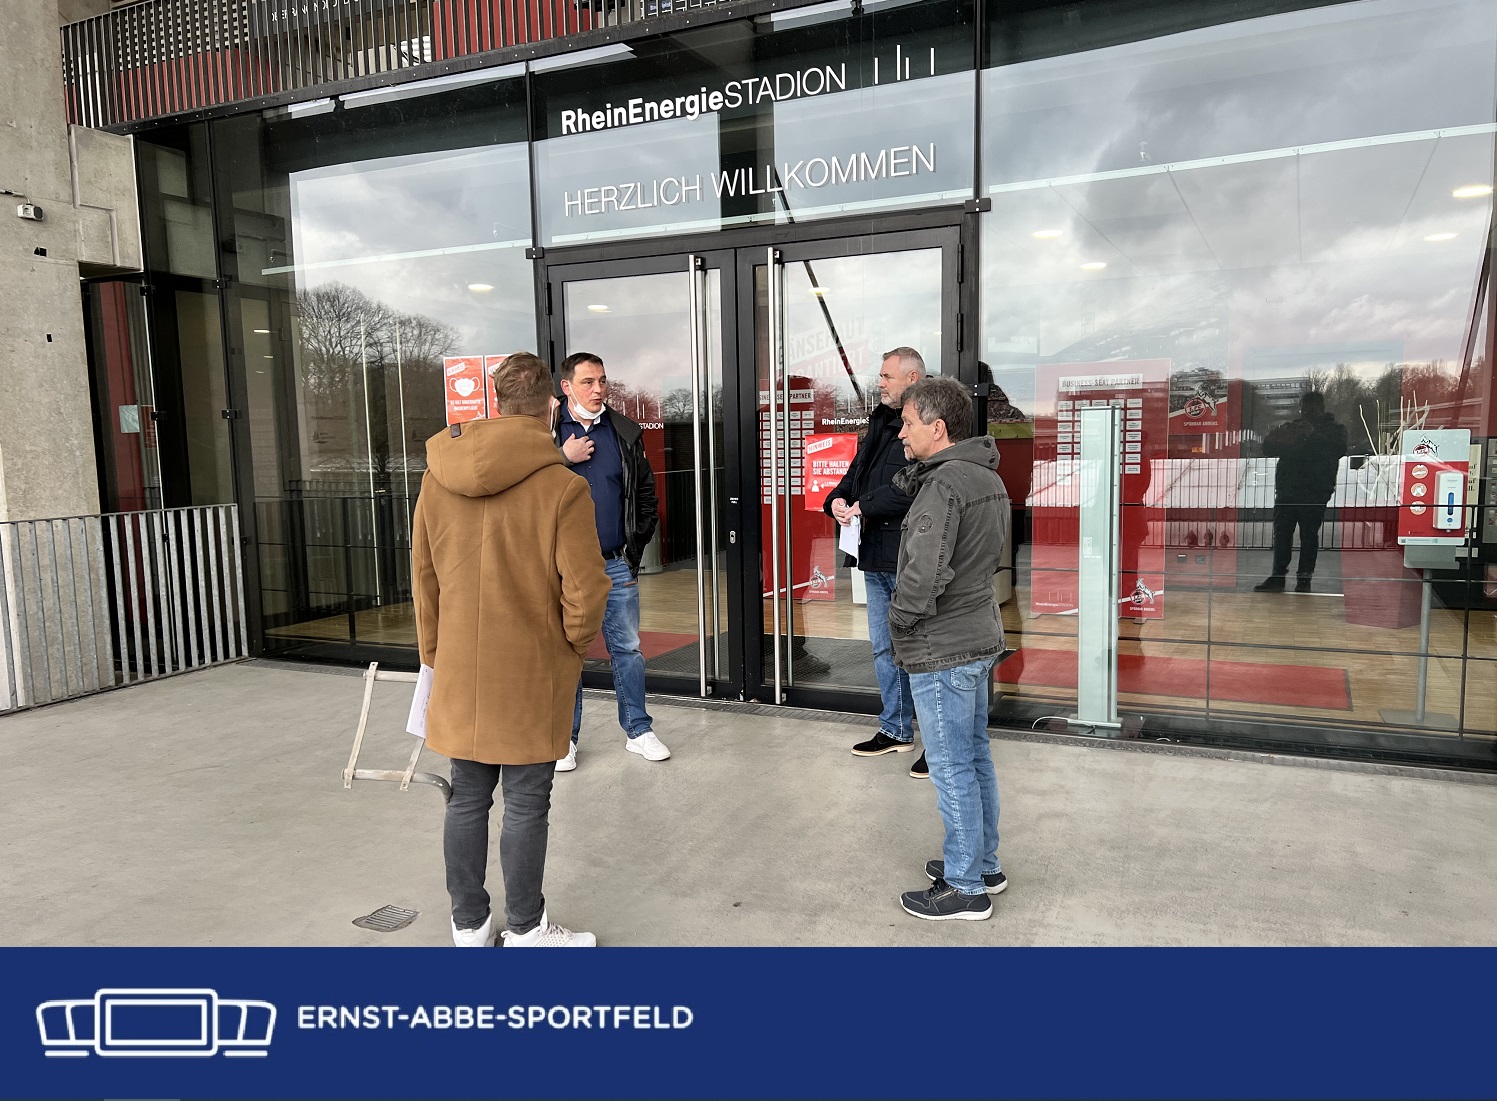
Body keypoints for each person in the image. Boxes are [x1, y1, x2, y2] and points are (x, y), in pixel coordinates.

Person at [412, 352, 610, 948]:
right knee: (526, 802)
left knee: (466, 798)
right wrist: (572, 647)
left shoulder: (436, 477)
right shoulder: (563, 487)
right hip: (531, 667)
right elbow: (586, 589)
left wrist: (435, 652)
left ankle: (469, 926)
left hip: (459, 666)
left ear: (496, 403)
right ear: (550, 405)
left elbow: (423, 577)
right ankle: (525, 929)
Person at [889, 376, 1010, 921]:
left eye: (908, 423)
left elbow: (924, 573)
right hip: (977, 637)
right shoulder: (986, 477)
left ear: (937, 428)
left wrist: (899, 620)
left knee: (951, 766)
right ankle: (982, 865)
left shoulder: (943, 485)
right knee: (974, 756)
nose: (901, 432)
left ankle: (964, 887)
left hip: (944, 647)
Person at [553, 351, 669, 769]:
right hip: (562, 568)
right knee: (566, 651)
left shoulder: (624, 432)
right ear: (566, 387)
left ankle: (638, 731)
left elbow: (645, 497)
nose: (598, 389)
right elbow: (519, 480)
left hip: (614, 563)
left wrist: (633, 549)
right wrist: (561, 456)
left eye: (602, 380)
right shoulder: (545, 431)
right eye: (588, 382)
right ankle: (563, 739)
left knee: (628, 649)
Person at [826, 346, 926, 776]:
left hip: (910, 558)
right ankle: (896, 730)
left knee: (921, 652)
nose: (880, 383)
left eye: (887, 376)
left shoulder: (928, 424)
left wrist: (863, 506)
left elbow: (916, 484)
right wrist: (837, 500)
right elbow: (856, 474)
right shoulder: (881, 421)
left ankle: (938, 742)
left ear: (912, 378)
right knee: (886, 648)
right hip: (874, 555)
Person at [1254, 391, 1348, 594]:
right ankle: (1278, 576)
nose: (1307, 413)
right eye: (1304, 409)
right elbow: (1268, 449)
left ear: (1321, 408)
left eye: (1311, 409)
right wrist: (1281, 433)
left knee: (1309, 535)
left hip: (1315, 491)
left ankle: (1304, 578)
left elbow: (1338, 449)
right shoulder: (1294, 428)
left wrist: (1313, 435)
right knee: (1282, 534)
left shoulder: (1334, 429)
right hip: (1288, 490)